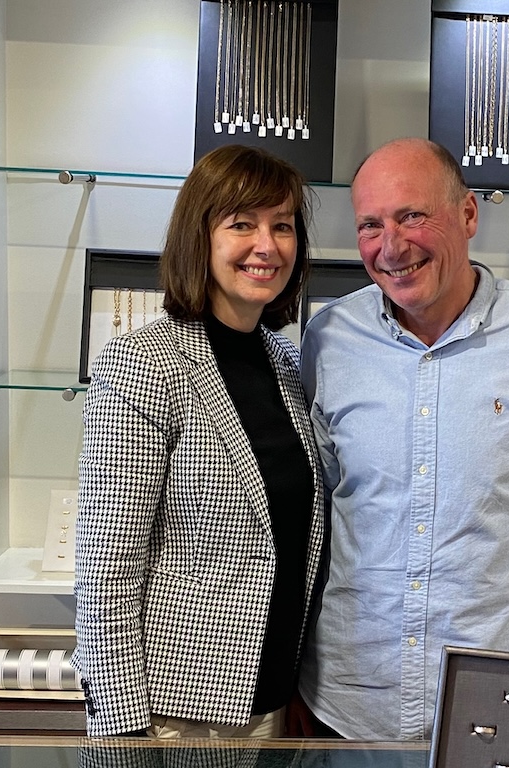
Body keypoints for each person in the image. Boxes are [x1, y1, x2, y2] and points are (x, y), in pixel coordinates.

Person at [295, 138, 509, 740]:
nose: (391, 247)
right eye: (370, 224)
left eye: (412, 215)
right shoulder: (328, 336)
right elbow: (318, 505)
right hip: (350, 707)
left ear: (468, 214)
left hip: (502, 703)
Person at [74, 144, 325, 739]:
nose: (267, 245)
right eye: (242, 224)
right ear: (200, 236)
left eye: (282, 226)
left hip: (272, 703)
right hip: (177, 715)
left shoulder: (285, 365)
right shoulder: (144, 363)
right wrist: (123, 730)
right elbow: (108, 567)